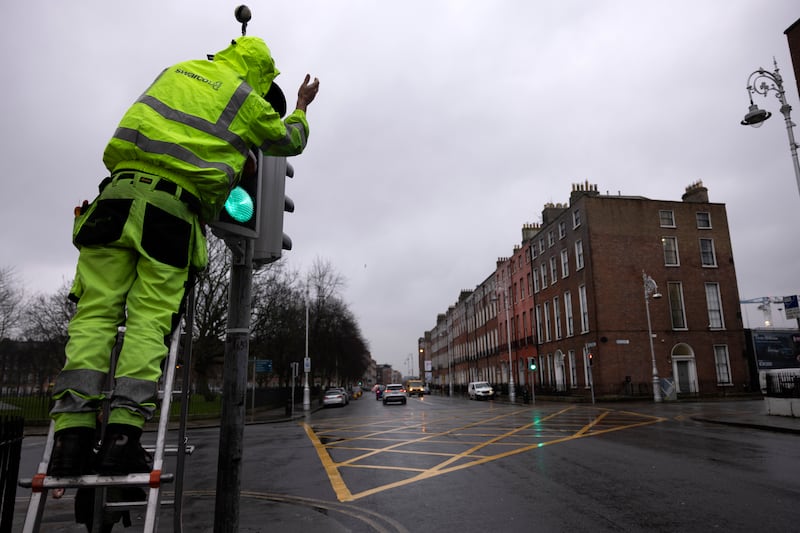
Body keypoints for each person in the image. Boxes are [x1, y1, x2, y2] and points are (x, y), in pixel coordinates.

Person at [48, 35, 319, 478]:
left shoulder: (177, 70)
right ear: (262, 73)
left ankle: (70, 437)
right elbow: (289, 139)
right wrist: (303, 106)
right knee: (148, 323)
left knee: (94, 316)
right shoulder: (246, 98)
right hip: (171, 214)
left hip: (114, 200)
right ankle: (122, 437)